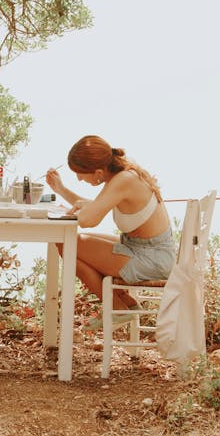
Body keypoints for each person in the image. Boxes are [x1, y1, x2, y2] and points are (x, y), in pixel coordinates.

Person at [45, 134, 176, 330]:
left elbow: (90, 220)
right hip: (145, 249)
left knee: (67, 244)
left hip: (151, 258)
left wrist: (81, 210)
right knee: (74, 244)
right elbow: (96, 208)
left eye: (80, 173)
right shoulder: (123, 172)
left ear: (98, 171)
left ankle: (117, 308)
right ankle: (127, 305)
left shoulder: (123, 180)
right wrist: (61, 190)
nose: (79, 179)